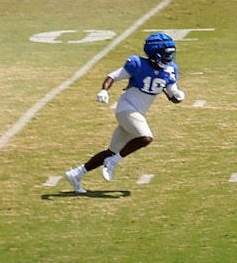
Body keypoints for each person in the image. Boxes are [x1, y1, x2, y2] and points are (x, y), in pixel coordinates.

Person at [67, 32, 188, 194]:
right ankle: (113, 162)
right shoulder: (137, 64)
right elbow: (113, 76)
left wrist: (178, 96)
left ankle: (76, 174)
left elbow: (173, 94)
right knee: (146, 138)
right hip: (126, 108)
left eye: (170, 54)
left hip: (138, 112)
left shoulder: (170, 69)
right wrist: (104, 90)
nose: (169, 58)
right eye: (166, 55)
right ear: (154, 54)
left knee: (111, 150)